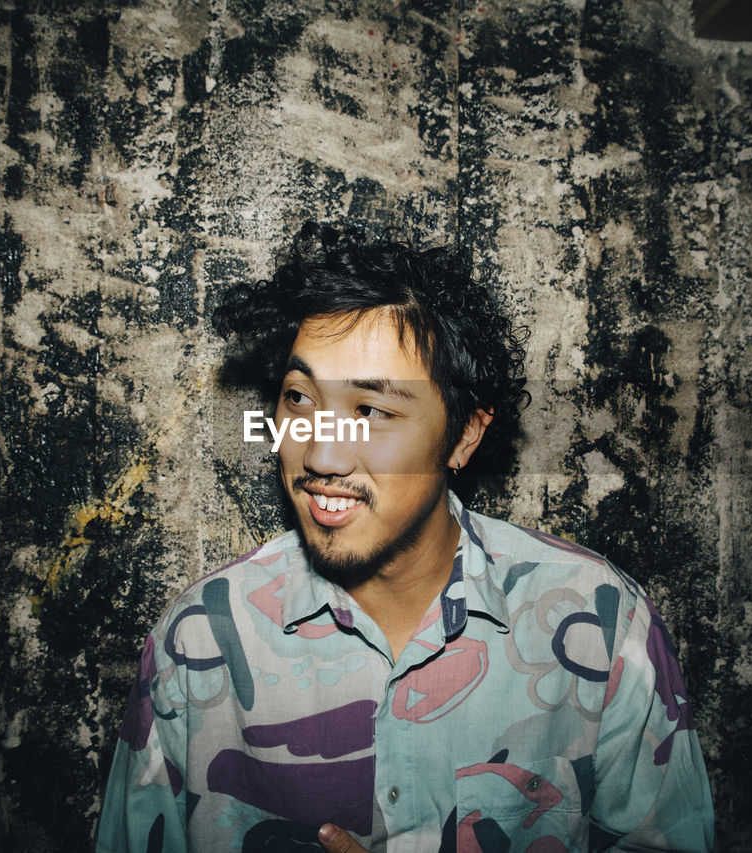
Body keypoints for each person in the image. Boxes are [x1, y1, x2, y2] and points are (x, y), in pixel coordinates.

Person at [95, 222, 716, 852]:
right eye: (299, 398)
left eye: (371, 411)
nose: (321, 454)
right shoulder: (199, 638)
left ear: (465, 436)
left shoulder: (600, 625)